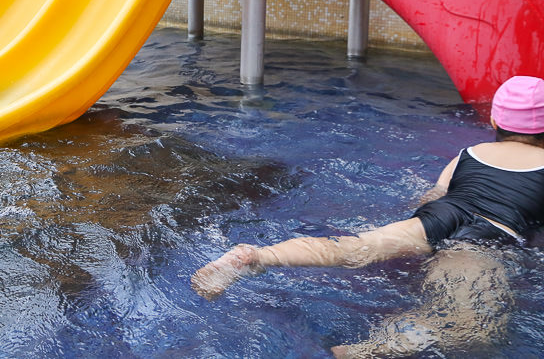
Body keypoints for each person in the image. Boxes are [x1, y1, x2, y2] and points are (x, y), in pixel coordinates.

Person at [191, 75, 544, 357]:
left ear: (496, 119)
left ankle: (259, 256)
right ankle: (366, 351)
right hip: (486, 239)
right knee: (476, 329)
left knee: (352, 247)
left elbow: (434, 195)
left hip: (437, 217)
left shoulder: (472, 153)